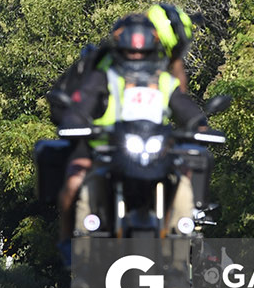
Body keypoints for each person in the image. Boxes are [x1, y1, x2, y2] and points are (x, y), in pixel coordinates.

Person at [56, 13, 208, 239]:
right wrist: (74, 122)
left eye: (142, 52)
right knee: (76, 181)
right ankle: (73, 242)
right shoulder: (104, 76)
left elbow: (186, 108)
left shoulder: (164, 81)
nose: (137, 56)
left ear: (153, 50)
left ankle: (183, 239)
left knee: (184, 181)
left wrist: (200, 127)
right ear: (119, 49)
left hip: (156, 152)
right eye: (131, 51)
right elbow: (81, 104)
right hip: (105, 150)